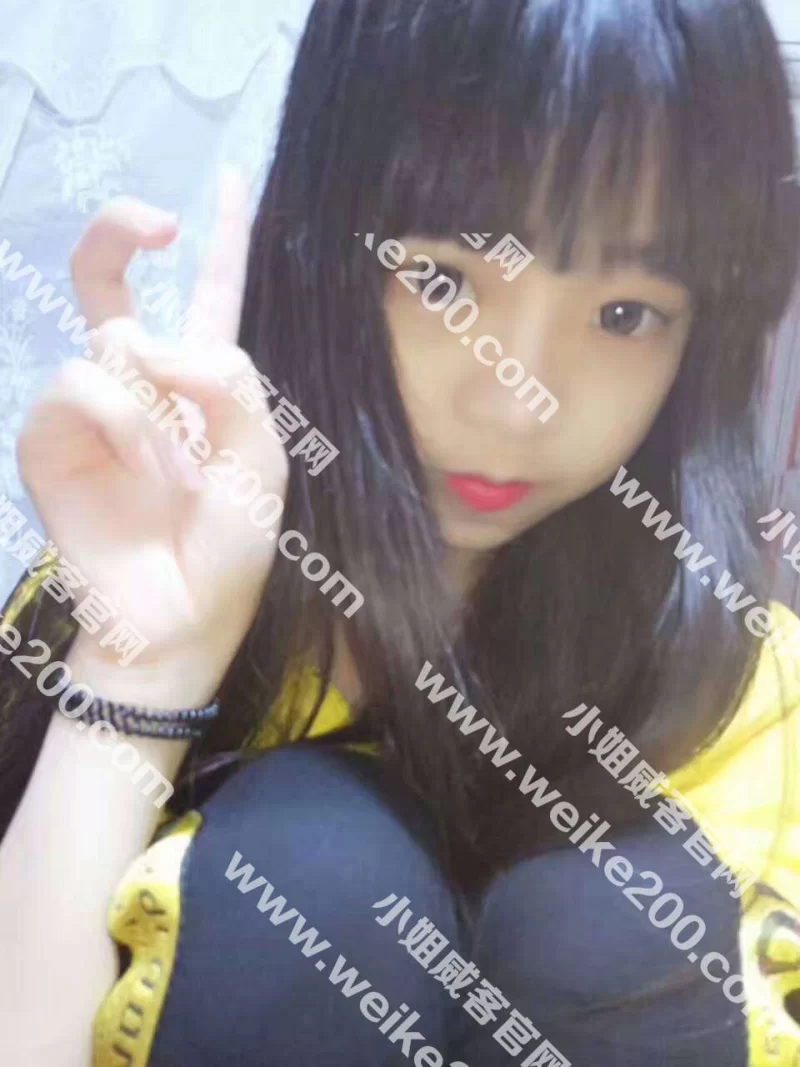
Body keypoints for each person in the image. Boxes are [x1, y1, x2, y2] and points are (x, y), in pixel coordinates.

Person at [0, 0, 799, 1064]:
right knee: (315, 865)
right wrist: (144, 665)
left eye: (624, 315)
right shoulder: (140, 569)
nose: (516, 402)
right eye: (441, 280)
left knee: (619, 909)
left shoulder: (750, 696)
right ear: (321, 251)